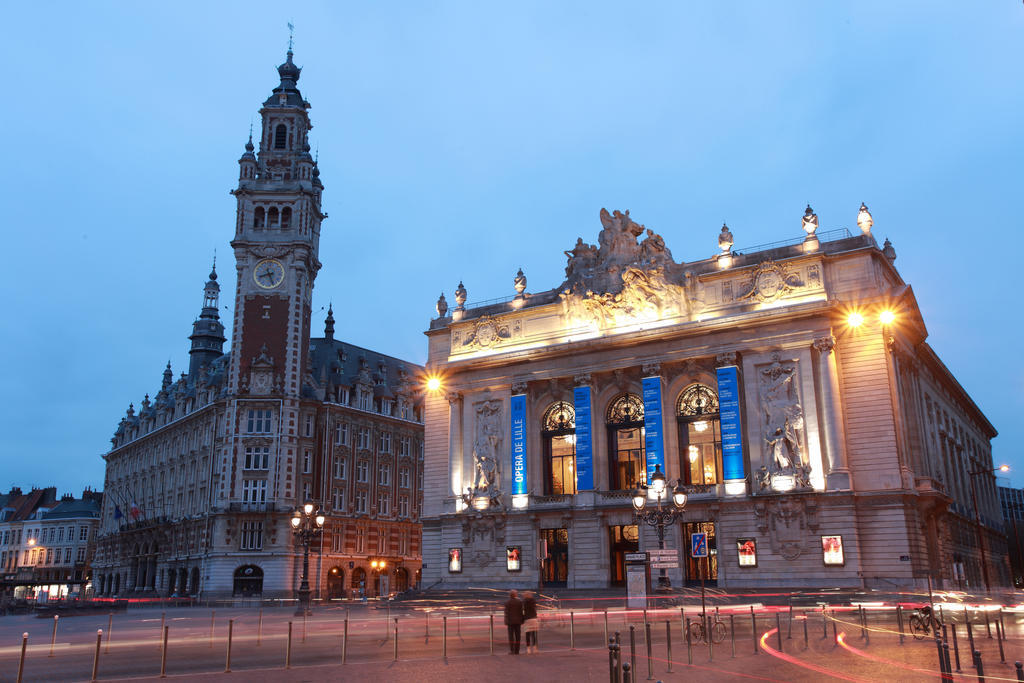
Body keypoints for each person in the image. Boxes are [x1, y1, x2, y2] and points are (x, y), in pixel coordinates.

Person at [503, 589, 524, 654]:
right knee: (518, 636)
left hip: (510, 622)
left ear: (510, 595)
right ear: (516, 595)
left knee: (511, 637)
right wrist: (522, 620)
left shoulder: (507, 602)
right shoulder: (519, 602)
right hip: (518, 622)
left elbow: (506, 613)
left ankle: (512, 650)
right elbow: (521, 612)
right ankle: (517, 650)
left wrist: (506, 621)